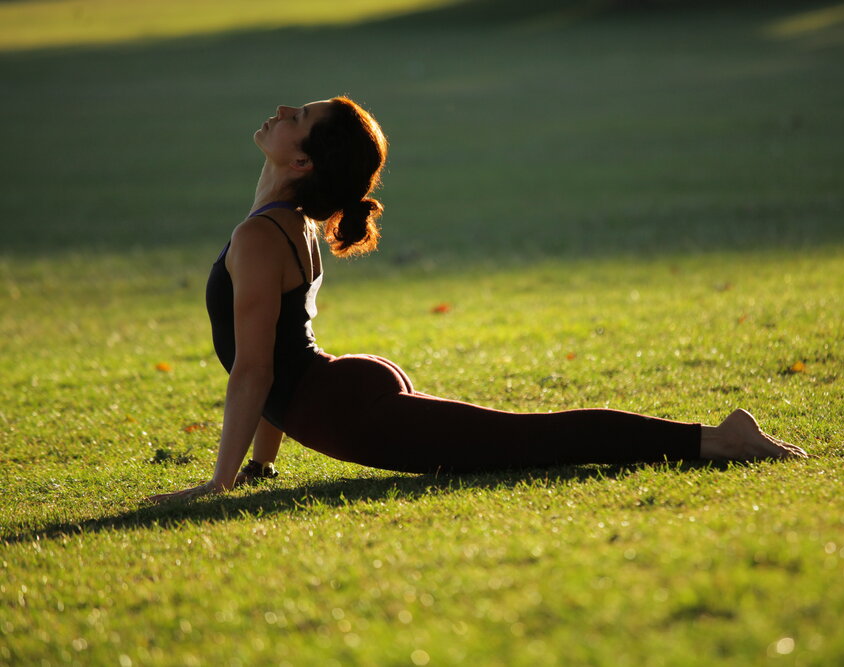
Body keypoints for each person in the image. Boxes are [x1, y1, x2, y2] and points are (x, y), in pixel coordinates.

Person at [146, 97, 806, 504]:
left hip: (348, 406)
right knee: (521, 442)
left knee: (529, 442)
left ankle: (717, 439)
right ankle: (712, 438)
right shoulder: (282, 227)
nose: (284, 110)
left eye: (300, 118)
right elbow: (276, 358)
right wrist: (261, 464)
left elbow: (258, 371)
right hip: (341, 393)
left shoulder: (265, 235)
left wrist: (220, 483)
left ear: (302, 165)